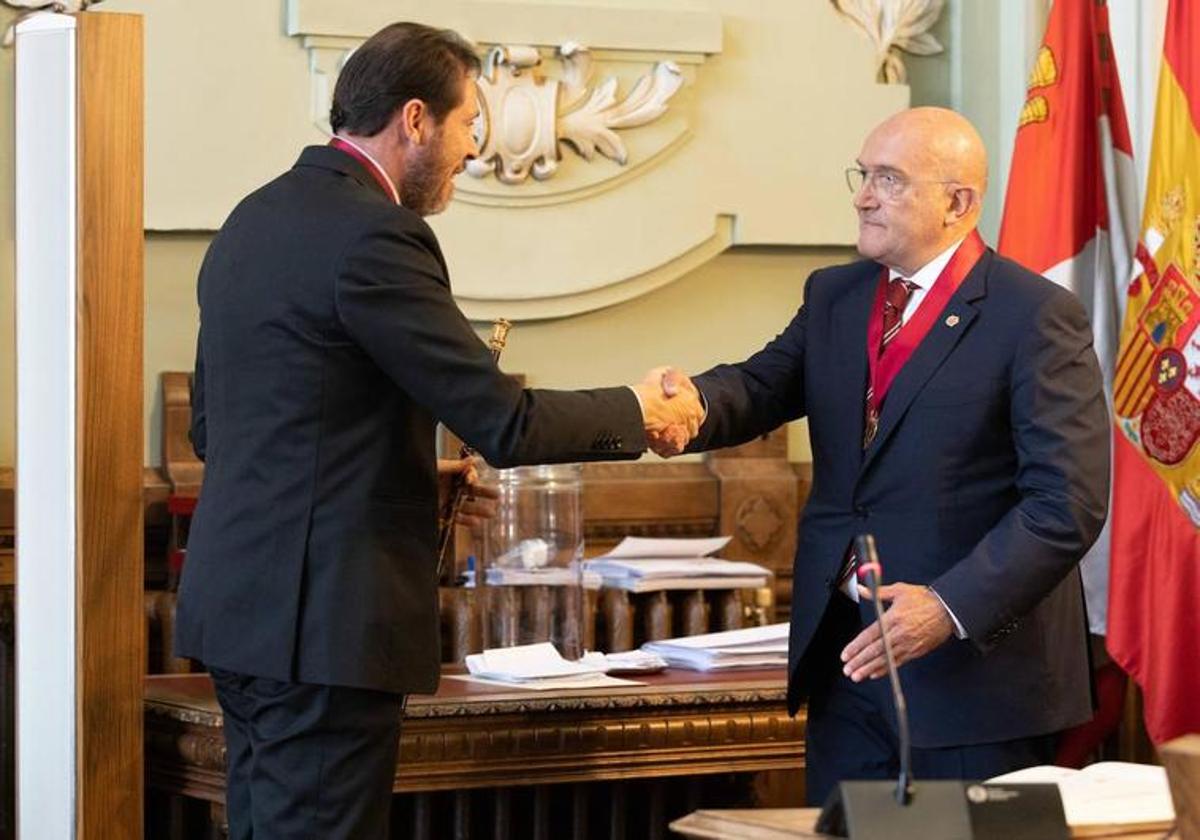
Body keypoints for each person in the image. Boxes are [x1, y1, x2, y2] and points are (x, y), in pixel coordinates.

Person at [175, 22, 702, 840]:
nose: (472, 152)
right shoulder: (376, 234)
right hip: (324, 631)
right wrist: (640, 409)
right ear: (415, 120)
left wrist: (409, 478)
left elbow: (224, 430)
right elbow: (507, 422)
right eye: (466, 127)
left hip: (240, 617)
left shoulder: (252, 220)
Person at [644, 107, 1109, 804]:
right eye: (864, 175)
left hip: (976, 686)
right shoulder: (837, 294)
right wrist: (681, 407)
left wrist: (947, 607)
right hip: (847, 670)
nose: (863, 195)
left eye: (888, 180)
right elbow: (762, 384)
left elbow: (1065, 505)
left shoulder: (1034, 315)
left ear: (958, 203)